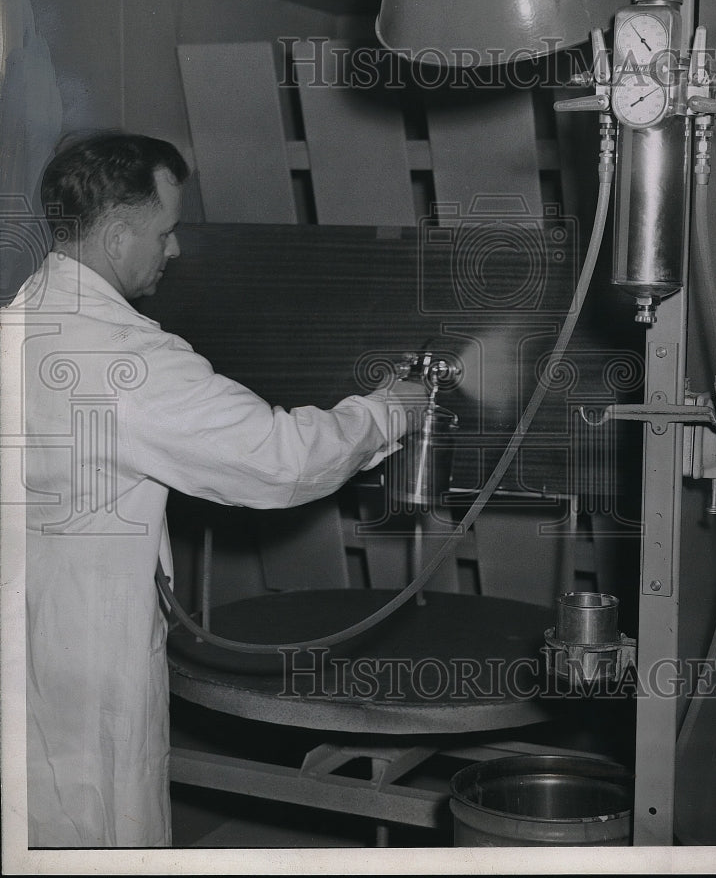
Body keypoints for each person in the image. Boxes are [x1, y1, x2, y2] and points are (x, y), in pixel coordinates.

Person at [12, 132, 426, 848]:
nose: (173, 252)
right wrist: (389, 410)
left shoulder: (17, 322)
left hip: (21, 632)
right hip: (89, 643)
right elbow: (278, 460)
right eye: (166, 232)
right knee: (99, 823)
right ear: (116, 234)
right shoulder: (129, 361)